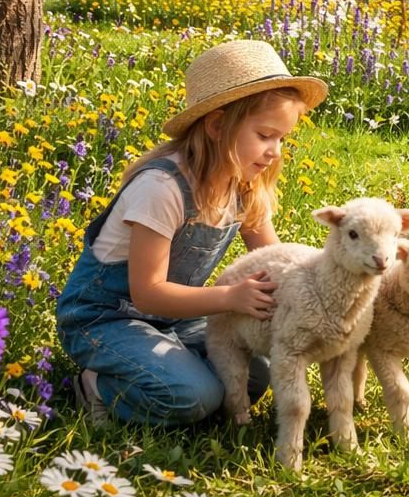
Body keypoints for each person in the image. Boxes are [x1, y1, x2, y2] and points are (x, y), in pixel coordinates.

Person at [57, 40, 327, 425]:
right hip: (105, 319)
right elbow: (147, 293)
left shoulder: (242, 185)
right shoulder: (162, 188)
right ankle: (98, 386)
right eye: (266, 135)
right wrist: (232, 297)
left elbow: (277, 261)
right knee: (193, 397)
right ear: (217, 125)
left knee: (252, 377)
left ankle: (172, 363)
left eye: (282, 139)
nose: (276, 152)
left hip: (177, 317)